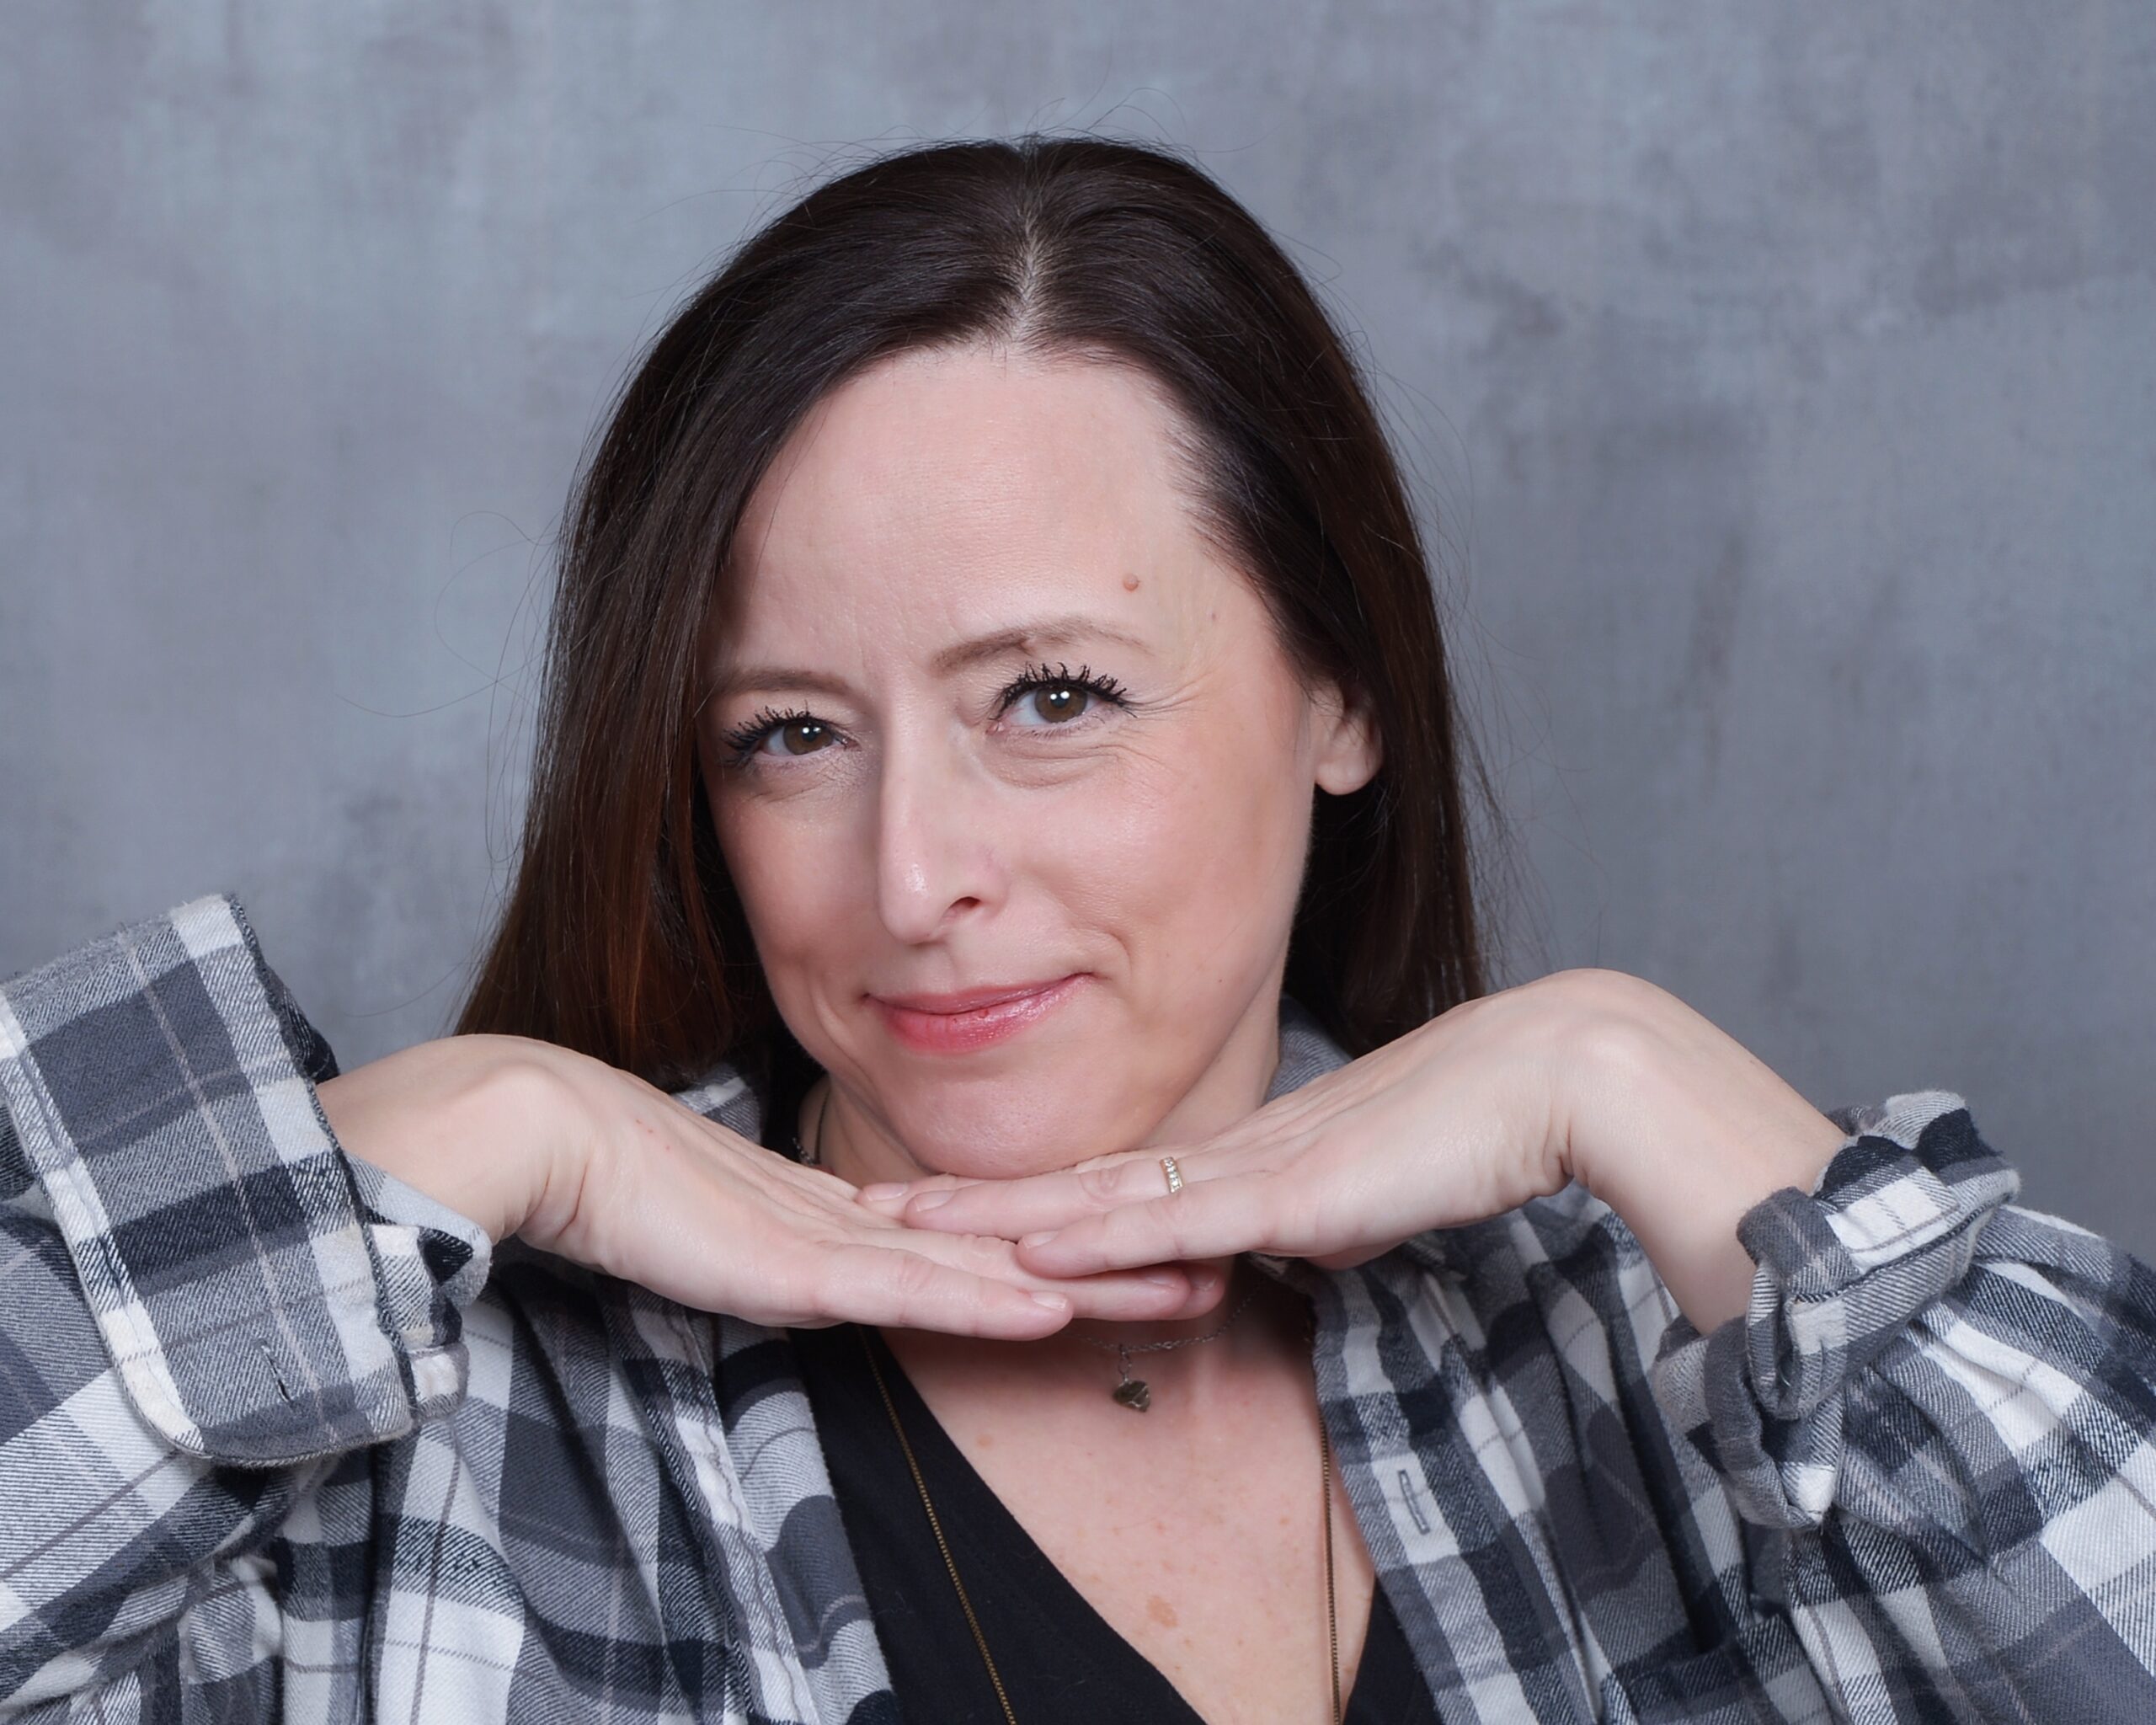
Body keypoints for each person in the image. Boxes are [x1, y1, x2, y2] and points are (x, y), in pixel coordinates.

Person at [2, 134, 2151, 1725]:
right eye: (787, 734)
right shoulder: (421, 1443)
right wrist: (463, 1123)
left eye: (1049, 697)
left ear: (1339, 691)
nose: (908, 877)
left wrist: (1631, 1068)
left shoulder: (1653, 1341)